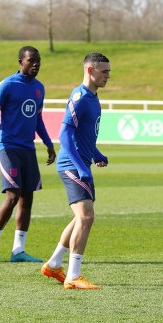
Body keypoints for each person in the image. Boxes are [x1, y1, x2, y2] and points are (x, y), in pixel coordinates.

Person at [0, 45, 55, 263]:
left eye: (38, 60)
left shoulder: (39, 88)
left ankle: (18, 250)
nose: (36, 64)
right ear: (21, 62)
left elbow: (38, 118)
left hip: (28, 148)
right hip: (7, 146)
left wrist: (48, 143)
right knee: (13, 195)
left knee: (27, 197)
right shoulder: (8, 84)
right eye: (31, 60)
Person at [40, 52, 111, 289]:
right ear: (90, 70)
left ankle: (53, 264)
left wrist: (97, 154)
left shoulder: (93, 97)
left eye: (109, 72)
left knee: (80, 218)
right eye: (104, 71)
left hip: (81, 162)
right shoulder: (80, 97)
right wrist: (82, 167)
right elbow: (64, 135)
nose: (108, 76)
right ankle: (73, 276)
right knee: (86, 217)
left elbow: (84, 135)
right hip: (72, 165)